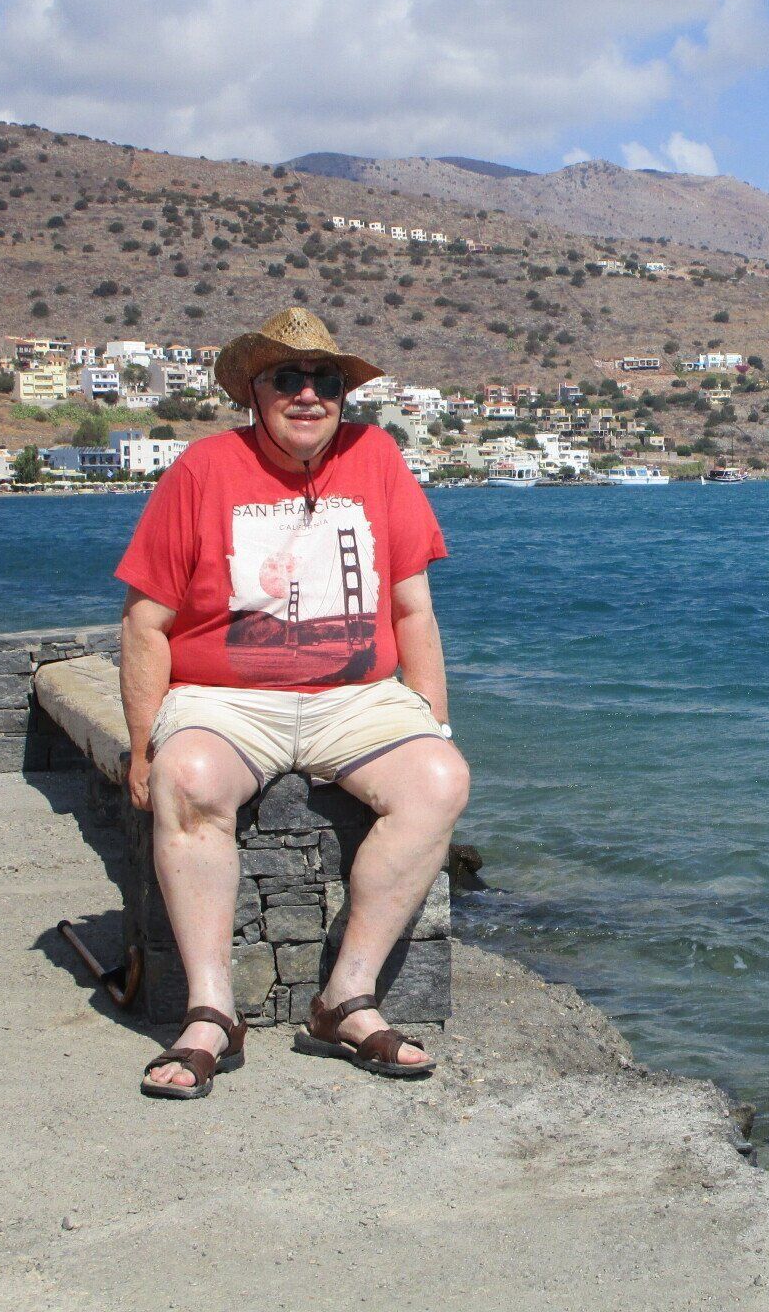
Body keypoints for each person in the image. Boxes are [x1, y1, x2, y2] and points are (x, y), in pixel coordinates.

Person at [115, 307, 469, 1099]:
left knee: (440, 781)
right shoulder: (202, 470)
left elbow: (413, 610)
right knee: (187, 778)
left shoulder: (377, 457)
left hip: (358, 699)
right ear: (255, 391)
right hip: (226, 701)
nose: (309, 394)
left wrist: (433, 723)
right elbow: (144, 623)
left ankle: (346, 999)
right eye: (289, 378)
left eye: (326, 380)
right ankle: (211, 1011)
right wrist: (142, 748)